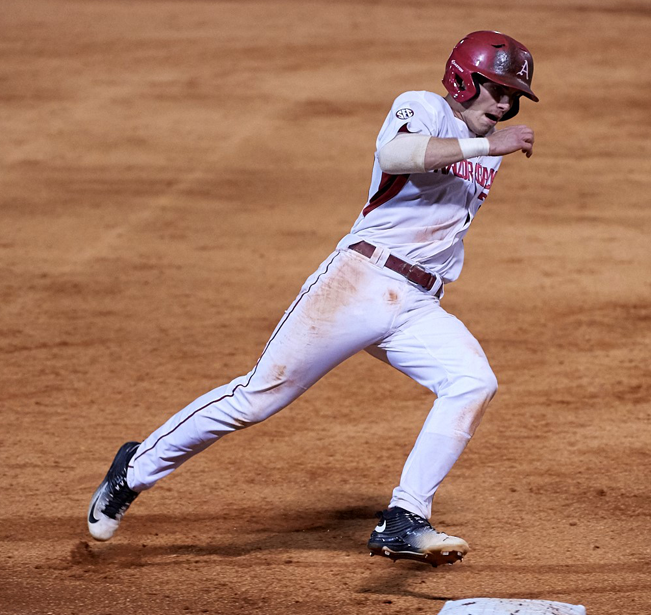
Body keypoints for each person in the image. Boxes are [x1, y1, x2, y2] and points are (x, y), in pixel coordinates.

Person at [87, 30, 538, 567]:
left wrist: (488, 146)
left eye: (514, 97)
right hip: (357, 283)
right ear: (465, 79)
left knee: (472, 382)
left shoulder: (488, 151)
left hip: (418, 303)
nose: (506, 105)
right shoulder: (423, 109)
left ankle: (405, 517)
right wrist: (487, 144)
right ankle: (133, 469)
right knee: (257, 398)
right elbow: (395, 154)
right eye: (498, 90)